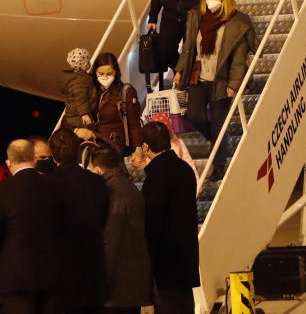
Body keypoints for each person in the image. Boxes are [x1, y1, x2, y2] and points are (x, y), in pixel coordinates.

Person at [173, 0, 257, 179]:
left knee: (219, 123)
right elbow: (188, 49)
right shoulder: (197, 17)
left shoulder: (237, 23)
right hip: (198, 76)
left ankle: (219, 166)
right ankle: (218, 142)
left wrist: (234, 84)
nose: (211, 1)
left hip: (221, 80)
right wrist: (179, 70)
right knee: (195, 116)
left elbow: (238, 59)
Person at [0, 139, 64, 314]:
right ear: (34, 159)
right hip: (52, 277)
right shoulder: (55, 188)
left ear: (8, 162)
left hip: (15, 281)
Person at [140, 122, 200, 314]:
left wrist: (147, 259)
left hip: (165, 261)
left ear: (146, 147)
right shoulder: (184, 169)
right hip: (186, 255)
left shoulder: (156, 176)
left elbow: (153, 222)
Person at [48, 129, 109, 314]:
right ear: (78, 151)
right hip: (93, 269)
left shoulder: (47, 185)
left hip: (61, 274)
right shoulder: (97, 182)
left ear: (52, 155)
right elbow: (103, 218)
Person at [88, 145, 154, 314]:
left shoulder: (110, 193)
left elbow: (111, 240)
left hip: (117, 287)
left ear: (96, 169)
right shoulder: (129, 187)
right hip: (134, 282)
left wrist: (101, 280)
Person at [91, 52, 143, 155]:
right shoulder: (90, 91)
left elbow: (134, 124)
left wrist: (138, 148)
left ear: (115, 72)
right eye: (101, 73)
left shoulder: (126, 92)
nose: (105, 77)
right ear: (95, 72)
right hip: (93, 147)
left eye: (109, 73)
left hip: (115, 149)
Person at [129, 125, 199, 184]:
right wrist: (136, 162)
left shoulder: (178, 144)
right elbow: (145, 164)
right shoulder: (152, 150)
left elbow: (190, 165)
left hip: (177, 183)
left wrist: (197, 183)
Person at [60, 47, 98, 134]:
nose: (90, 64)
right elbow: (80, 97)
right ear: (84, 64)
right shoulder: (82, 79)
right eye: (88, 62)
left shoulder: (72, 77)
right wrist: (84, 113)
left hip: (72, 114)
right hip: (78, 116)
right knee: (91, 130)